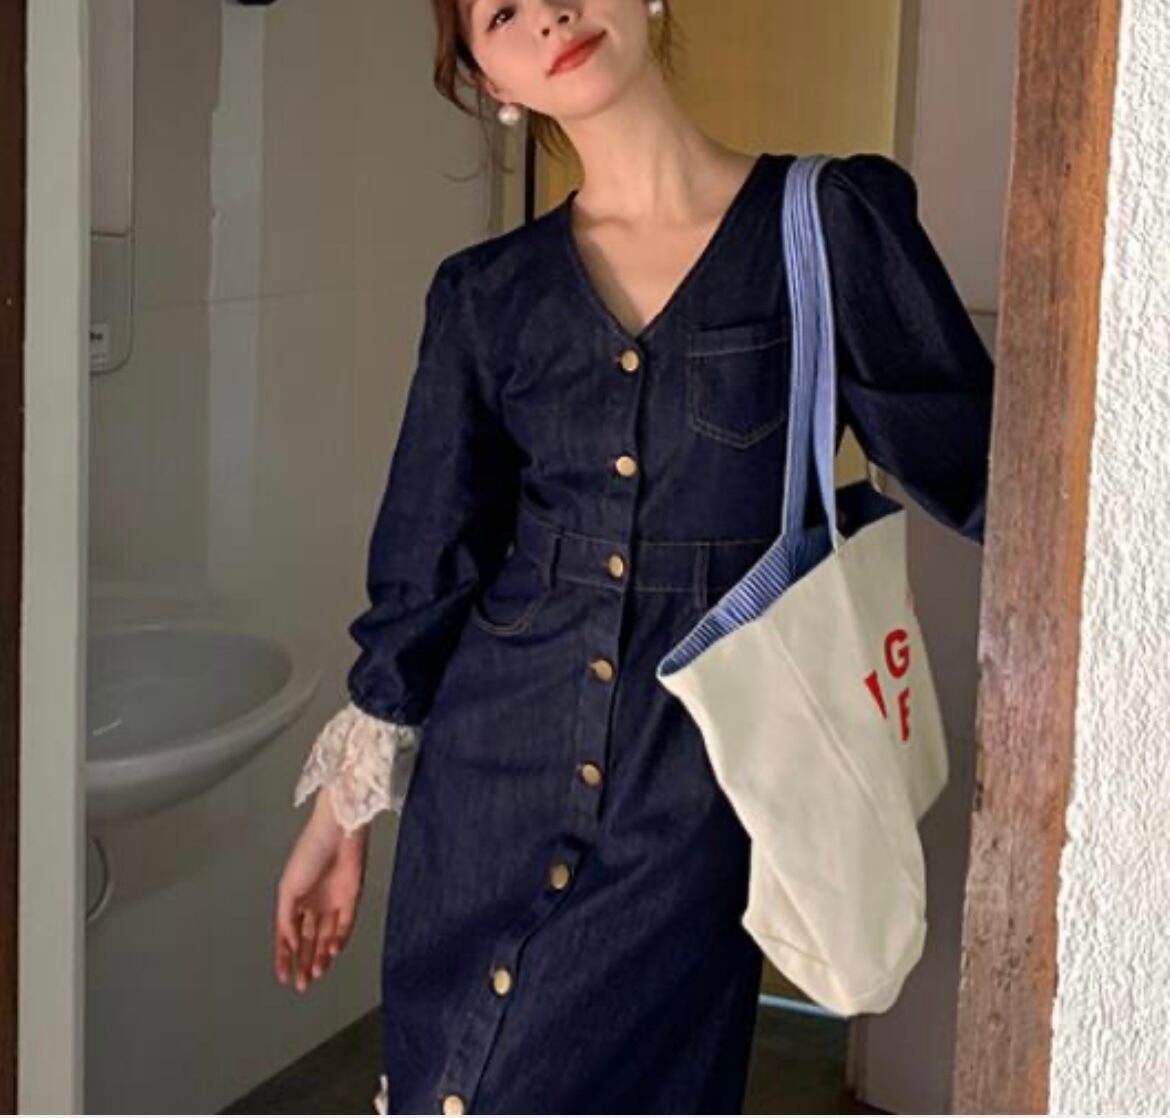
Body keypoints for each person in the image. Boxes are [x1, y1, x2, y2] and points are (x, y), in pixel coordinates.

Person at [272, 0, 994, 1113]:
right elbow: (430, 558)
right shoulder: (485, 294)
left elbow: (991, 469)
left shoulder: (826, 224)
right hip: (489, 784)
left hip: (694, 799)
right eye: (501, 12)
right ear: (490, 78)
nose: (550, 13)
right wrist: (342, 808)